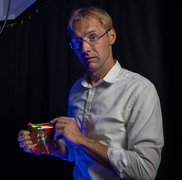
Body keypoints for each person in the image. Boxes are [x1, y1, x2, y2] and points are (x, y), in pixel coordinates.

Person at [18, 6, 164, 180]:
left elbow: (145, 171)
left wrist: (80, 139)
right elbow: (74, 151)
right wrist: (47, 145)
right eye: (78, 42)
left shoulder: (140, 90)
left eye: (92, 37)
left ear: (111, 36)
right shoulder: (76, 89)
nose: (85, 48)